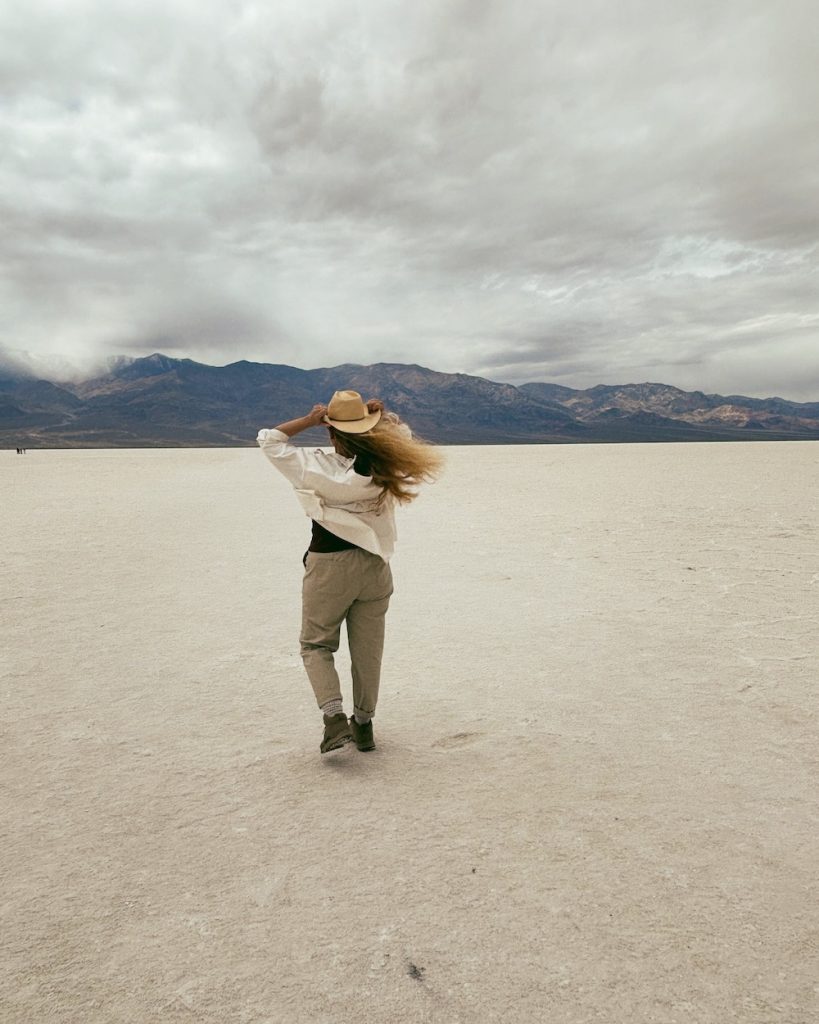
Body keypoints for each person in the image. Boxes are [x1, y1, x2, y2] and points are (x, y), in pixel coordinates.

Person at [257, 389, 442, 754]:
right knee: (368, 651)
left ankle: (333, 719)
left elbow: (269, 439)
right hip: (374, 568)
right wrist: (378, 417)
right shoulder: (386, 464)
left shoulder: (314, 467)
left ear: (330, 433)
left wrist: (310, 419)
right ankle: (364, 725)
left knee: (315, 644)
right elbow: (400, 433)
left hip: (329, 567)